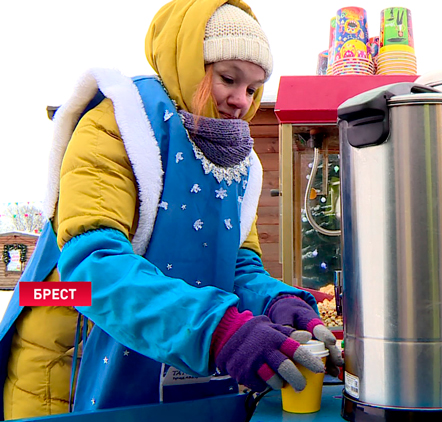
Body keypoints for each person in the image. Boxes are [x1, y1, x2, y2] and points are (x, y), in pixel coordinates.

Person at [0, 1, 342, 418]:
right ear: (187, 64)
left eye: (253, 89)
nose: (240, 101)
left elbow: (238, 265)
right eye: (228, 78)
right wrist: (216, 329)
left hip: (164, 345)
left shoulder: (236, 163)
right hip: (66, 336)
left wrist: (273, 302)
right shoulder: (119, 125)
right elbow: (91, 267)